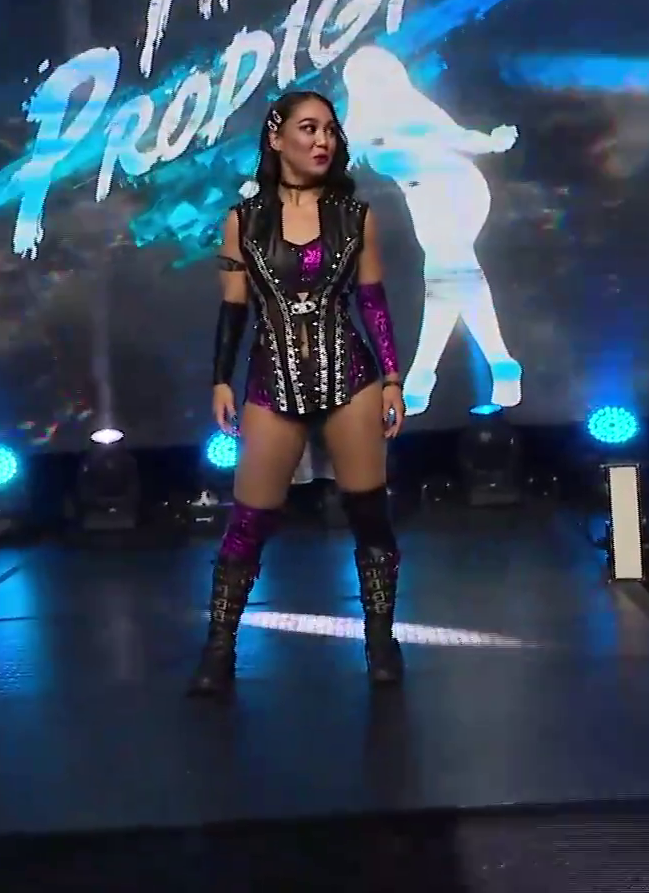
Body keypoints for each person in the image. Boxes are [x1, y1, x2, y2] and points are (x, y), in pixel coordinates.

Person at [192, 90, 408, 697]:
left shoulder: (356, 216)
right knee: (249, 520)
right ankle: (218, 649)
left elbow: (373, 302)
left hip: (351, 378)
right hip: (272, 380)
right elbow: (233, 310)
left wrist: (393, 378)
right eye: (309, 128)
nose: (322, 141)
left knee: (369, 515)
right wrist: (220, 379)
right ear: (276, 136)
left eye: (330, 130)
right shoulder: (243, 221)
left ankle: (381, 642)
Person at [340, 45, 522, 415]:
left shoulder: (412, 107)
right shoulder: (357, 127)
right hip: (423, 203)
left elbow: (460, 137)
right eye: (364, 77)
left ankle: (424, 376)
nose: (373, 82)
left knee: (445, 273)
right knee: (451, 280)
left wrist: (493, 142)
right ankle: (499, 365)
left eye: (378, 73)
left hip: (457, 189)